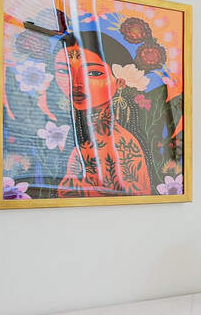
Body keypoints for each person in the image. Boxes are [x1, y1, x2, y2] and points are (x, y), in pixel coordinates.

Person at [52, 31, 153, 197]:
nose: (76, 83)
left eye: (93, 73)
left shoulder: (118, 144)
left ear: (120, 82)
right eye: (65, 72)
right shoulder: (82, 136)